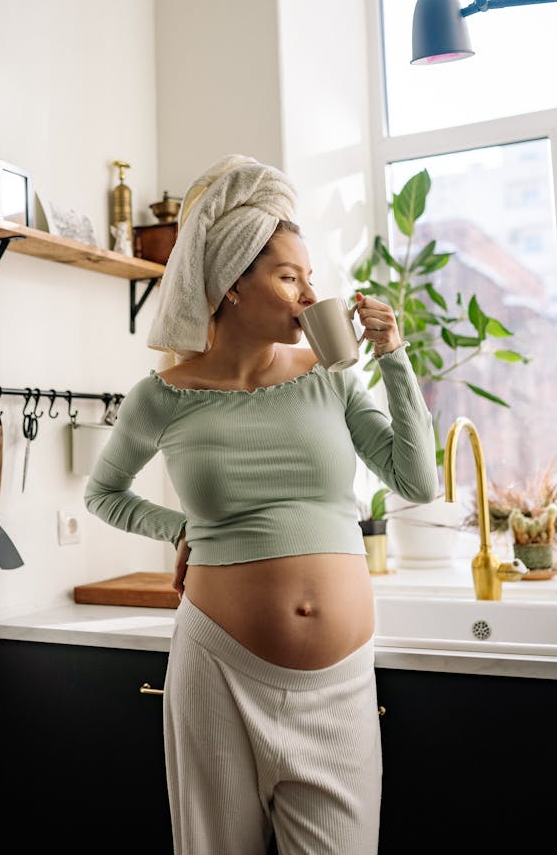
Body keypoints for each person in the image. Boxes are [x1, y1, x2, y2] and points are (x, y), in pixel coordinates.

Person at [84, 154, 438, 855]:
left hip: (338, 684)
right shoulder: (162, 395)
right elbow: (104, 493)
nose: (310, 296)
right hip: (216, 668)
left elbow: (415, 481)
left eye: (312, 279)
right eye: (287, 277)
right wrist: (184, 528)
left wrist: (392, 356)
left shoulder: (331, 379)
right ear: (232, 285)